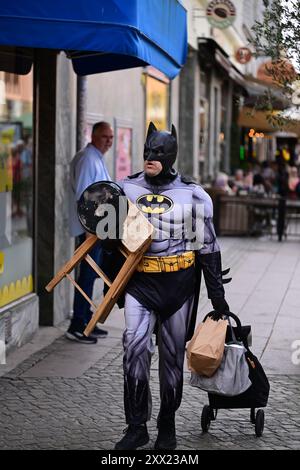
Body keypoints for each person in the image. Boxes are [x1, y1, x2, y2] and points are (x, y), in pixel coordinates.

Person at [114, 122, 230, 450]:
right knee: (134, 348)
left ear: (172, 154)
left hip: (178, 284)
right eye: (148, 151)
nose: (151, 157)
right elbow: (108, 232)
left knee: (171, 360)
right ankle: (136, 426)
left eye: (158, 152)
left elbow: (206, 247)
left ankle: (167, 424)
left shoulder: (192, 195)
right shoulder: (126, 188)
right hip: (141, 282)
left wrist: (217, 295)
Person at [66, 121, 114, 344]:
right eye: (105, 137)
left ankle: (86, 322)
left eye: (111, 137)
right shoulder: (87, 158)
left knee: (92, 275)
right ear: (94, 136)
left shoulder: (96, 157)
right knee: (87, 275)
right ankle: (77, 325)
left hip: (97, 229)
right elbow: (85, 197)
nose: (109, 141)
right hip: (90, 230)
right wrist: (88, 231)